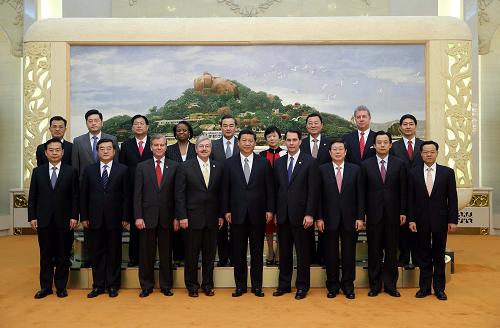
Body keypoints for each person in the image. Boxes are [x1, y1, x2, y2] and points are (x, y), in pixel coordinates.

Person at [222, 129, 275, 297]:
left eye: (250, 140)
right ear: (238, 143)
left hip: (258, 214)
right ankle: (240, 285)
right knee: (238, 252)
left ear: (255, 143)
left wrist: (270, 209)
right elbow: (225, 190)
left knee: (257, 252)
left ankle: (257, 286)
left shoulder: (263, 163)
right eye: (243, 140)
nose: (247, 143)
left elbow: (270, 189)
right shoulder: (229, 163)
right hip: (236, 214)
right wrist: (226, 210)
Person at [28, 138, 79, 299]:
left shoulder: (71, 171)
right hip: (43, 219)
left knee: (63, 254)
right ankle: (45, 287)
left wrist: (74, 216)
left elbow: (75, 196)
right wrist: (32, 216)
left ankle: (61, 287)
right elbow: (33, 196)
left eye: (58, 150)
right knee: (46, 255)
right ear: (45, 152)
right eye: (51, 150)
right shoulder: (38, 171)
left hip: (65, 219)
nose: (55, 152)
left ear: (63, 152)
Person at [272, 129, 319, 300]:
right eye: (288, 140)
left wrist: (310, 214)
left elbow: (313, 191)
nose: (291, 143)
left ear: (300, 141)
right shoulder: (278, 162)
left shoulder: (310, 162)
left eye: (294, 140)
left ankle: (302, 286)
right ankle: (284, 285)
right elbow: (275, 189)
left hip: (302, 217)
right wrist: (276, 211)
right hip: (283, 215)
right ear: (284, 142)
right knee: (284, 253)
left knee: (302, 253)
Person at [175, 135, 224, 297]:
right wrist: (182, 216)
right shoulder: (185, 167)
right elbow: (179, 194)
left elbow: (220, 195)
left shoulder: (218, 167)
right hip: (191, 219)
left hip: (212, 219)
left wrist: (220, 215)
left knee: (210, 255)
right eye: (201, 146)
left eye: (207, 146)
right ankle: (192, 286)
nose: (204, 149)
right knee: (191, 255)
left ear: (211, 149)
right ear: (195, 149)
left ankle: (208, 285)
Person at [408, 141, 458, 301]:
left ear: (437, 153)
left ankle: (439, 289)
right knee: (423, 255)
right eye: (425, 152)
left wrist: (453, 220)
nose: (429, 154)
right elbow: (410, 199)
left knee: (438, 254)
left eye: (432, 152)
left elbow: (453, 199)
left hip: (441, 220)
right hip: (420, 220)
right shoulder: (413, 172)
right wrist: (411, 219)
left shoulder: (447, 173)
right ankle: (424, 288)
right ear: (421, 154)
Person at [80, 139, 129, 298]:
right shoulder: (89, 170)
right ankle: (98, 285)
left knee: (114, 253)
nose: (105, 151)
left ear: (114, 151)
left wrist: (125, 217)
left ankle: (113, 285)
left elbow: (126, 196)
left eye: (109, 148)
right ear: (97, 151)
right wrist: (85, 216)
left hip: (115, 219)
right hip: (94, 219)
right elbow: (84, 195)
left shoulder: (123, 170)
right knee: (97, 253)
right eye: (102, 149)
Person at [317, 138, 364, 299]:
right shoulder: (322, 170)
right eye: (334, 149)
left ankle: (348, 285)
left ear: (345, 152)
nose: (337, 152)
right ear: (329, 152)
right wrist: (319, 218)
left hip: (350, 219)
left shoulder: (355, 170)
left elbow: (360, 196)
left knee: (349, 254)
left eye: (340, 149)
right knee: (330, 254)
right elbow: (318, 197)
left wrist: (360, 217)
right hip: (328, 219)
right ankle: (332, 285)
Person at [361, 131, 407, 298]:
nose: (382, 145)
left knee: (391, 251)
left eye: (385, 142)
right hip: (373, 215)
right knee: (374, 251)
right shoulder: (365, 165)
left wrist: (403, 211)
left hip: (393, 214)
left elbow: (403, 191)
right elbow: (362, 192)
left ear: (390, 145)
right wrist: (362, 213)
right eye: (378, 142)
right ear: (374, 145)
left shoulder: (399, 164)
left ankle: (390, 285)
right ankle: (374, 285)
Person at [134, 134, 180, 298]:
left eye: (162, 145)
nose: (159, 148)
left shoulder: (175, 166)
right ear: (151, 147)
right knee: (146, 254)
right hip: (146, 218)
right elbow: (137, 194)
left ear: (166, 147)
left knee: (167, 254)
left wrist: (177, 216)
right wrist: (138, 216)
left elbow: (178, 195)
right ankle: (146, 286)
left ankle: (166, 286)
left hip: (168, 218)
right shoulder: (142, 167)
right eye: (156, 145)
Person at [72, 109, 119, 268]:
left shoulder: (111, 139)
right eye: (90, 121)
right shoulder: (78, 141)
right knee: (90, 232)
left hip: (109, 194)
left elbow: (116, 168)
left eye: (96, 120)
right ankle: (89, 260)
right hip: (88, 194)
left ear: (101, 122)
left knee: (111, 239)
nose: (93, 123)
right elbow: (75, 169)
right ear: (86, 123)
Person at [35, 116, 74, 265]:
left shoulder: (71, 147)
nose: (57, 129)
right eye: (54, 126)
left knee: (64, 245)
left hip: (64, 203)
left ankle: (64, 260)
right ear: (50, 128)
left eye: (60, 126)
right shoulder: (41, 148)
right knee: (46, 250)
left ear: (65, 128)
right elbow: (40, 176)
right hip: (46, 207)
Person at [118, 114, 153, 268]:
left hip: (152, 190)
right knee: (135, 226)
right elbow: (122, 169)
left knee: (151, 227)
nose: (139, 126)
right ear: (132, 127)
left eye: (142, 123)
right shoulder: (126, 145)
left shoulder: (154, 143)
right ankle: (134, 258)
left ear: (147, 126)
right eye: (136, 124)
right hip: (133, 191)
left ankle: (149, 258)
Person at [390, 114, 424, 269]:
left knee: (419, 226)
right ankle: (402, 258)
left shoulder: (424, 146)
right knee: (402, 227)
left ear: (415, 126)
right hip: (399, 192)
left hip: (420, 193)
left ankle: (418, 259)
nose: (408, 126)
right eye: (405, 124)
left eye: (411, 124)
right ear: (400, 127)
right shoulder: (393, 147)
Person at [300, 112, 331, 265]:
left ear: (322, 125)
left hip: (326, 190)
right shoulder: (302, 144)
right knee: (307, 224)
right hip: (306, 190)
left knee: (324, 222)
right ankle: (310, 256)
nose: (313, 125)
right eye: (310, 123)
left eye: (316, 123)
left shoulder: (329, 143)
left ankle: (324, 256)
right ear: (306, 126)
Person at [210, 114, 240, 267]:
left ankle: (235, 258)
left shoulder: (241, 144)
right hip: (217, 192)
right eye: (225, 125)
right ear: (220, 127)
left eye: (231, 125)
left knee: (236, 227)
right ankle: (222, 258)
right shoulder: (212, 145)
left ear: (235, 127)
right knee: (220, 227)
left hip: (237, 193)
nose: (228, 128)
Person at [166, 121, 197, 268]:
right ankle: (177, 257)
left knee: (189, 227)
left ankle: (189, 258)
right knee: (175, 225)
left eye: (184, 130)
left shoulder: (195, 148)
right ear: (175, 133)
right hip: (172, 191)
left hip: (192, 192)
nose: (182, 132)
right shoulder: (169, 149)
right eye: (179, 130)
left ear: (189, 132)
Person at [259, 126, 286, 266]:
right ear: (266, 139)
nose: (272, 138)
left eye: (274, 136)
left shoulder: (285, 154)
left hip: (282, 194)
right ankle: (270, 250)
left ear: (279, 137)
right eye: (269, 136)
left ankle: (280, 250)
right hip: (266, 195)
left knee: (281, 223)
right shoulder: (262, 155)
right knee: (268, 224)